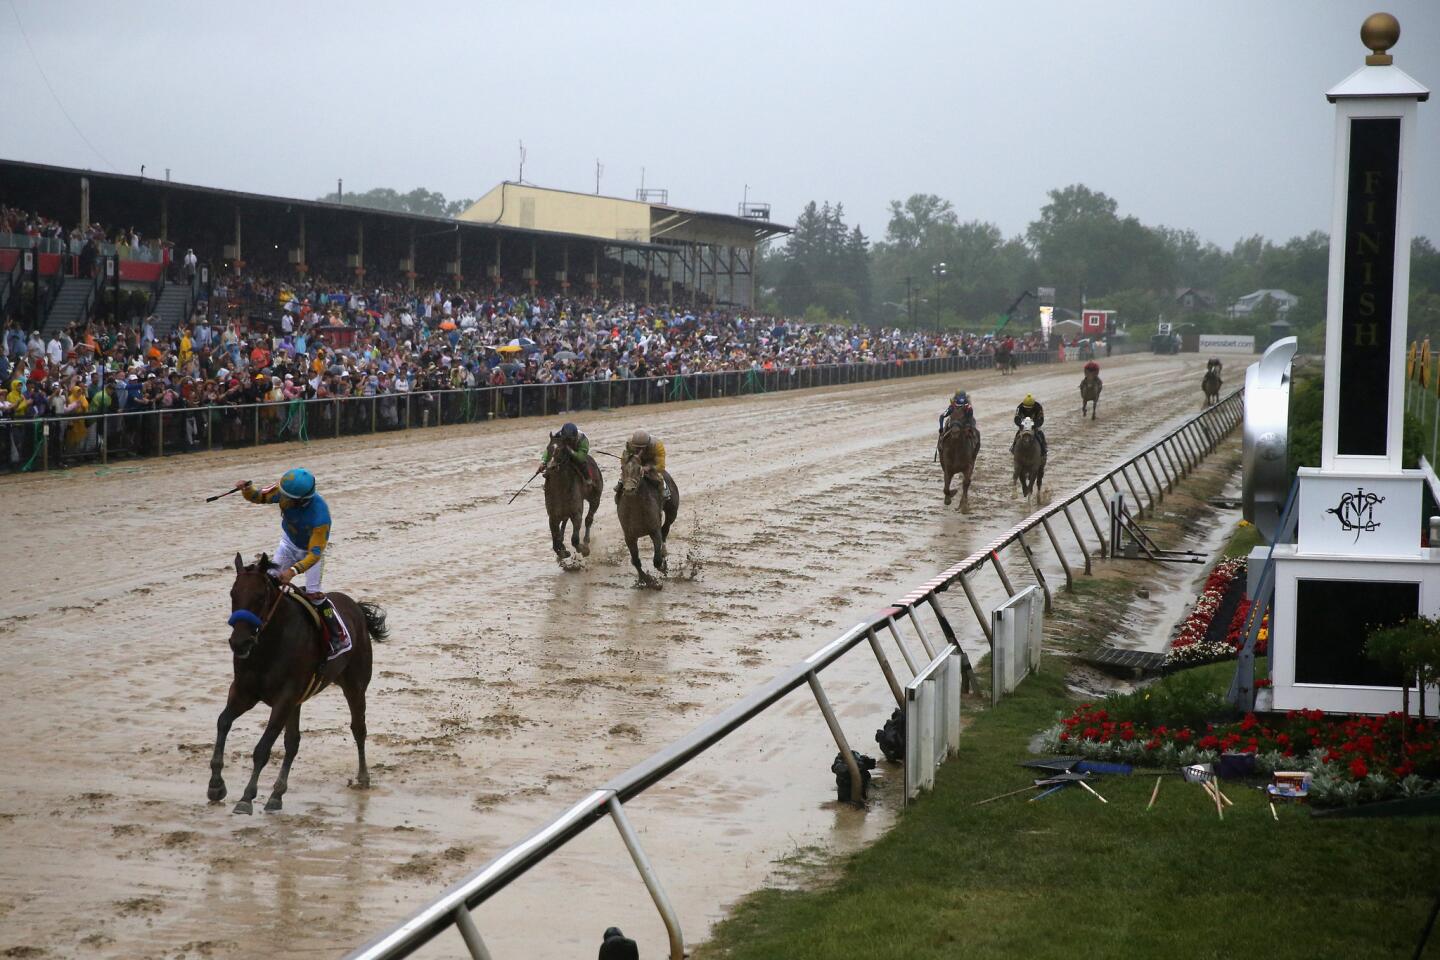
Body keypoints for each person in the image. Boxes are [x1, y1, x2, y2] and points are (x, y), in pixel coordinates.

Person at [233, 467, 349, 658]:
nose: (282, 499)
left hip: (310, 552)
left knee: (314, 594)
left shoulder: (320, 517)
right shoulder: (285, 490)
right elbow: (259, 496)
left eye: (287, 498)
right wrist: (246, 489)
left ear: (302, 500)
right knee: (267, 581)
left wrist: (293, 571)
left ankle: (338, 633)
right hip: (288, 544)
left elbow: (314, 555)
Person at [539, 421, 597, 493]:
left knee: (582, 463)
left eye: (570, 440)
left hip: (577, 451)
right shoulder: (558, 435)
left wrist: (570, 451)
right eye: (565, 440)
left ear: (575, 437)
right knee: (553, 462)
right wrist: (544, 462)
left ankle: (588, 480)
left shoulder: (583, 440)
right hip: (564, 450)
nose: (568, 442)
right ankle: (548, 482)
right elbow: (550, 449)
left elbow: (581, 457)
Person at [617, 428, 668, 499]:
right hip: (637, 461)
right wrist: (628, 463)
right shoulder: (629, 444)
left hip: (651, 461)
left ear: (648, 444)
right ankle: (620, 483)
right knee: (628, 472)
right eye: (636, 448)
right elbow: (624, 461)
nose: (639, 450)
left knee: (658, 476)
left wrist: (649, 468)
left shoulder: (657, 445)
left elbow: (661, 466)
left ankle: (664, 489)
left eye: (642, 448)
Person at [1013, 393, 1046, 457]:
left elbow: (1041, 418)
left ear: (1033, 405)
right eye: (1026, 408)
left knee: (1040, 434)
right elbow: (1016, 417)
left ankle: (1043, 449)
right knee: (1017, 434)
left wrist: (1035, 425)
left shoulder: (1038, 407)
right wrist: (1020, 424)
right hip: (1024, 425)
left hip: (1034, 424)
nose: (1028, 409)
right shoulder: (1020, 407)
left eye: (1029, 408)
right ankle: (1013, 447)